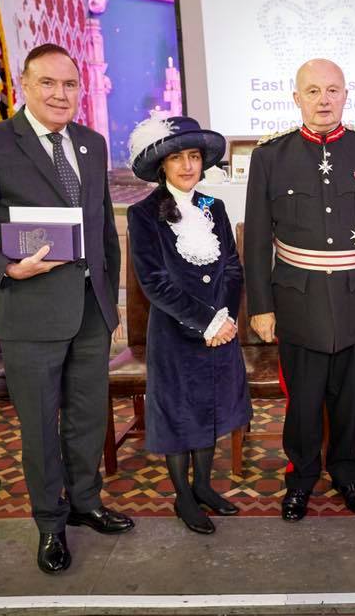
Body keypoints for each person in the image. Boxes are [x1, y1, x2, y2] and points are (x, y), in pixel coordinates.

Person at [0, 43, 133, 574]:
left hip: (90, 311)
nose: (60, 94)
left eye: (69, 84)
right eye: (48, 83)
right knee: (41, 425)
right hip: (30, 311)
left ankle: (85, 502)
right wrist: (3, 268)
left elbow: (101, 230)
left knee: (88, 418)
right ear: (24, 85)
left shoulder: (90, 143)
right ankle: (50, 523)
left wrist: (109, 299)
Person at [245, 58, 355, 522]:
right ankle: (300, 479)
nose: (323, 100)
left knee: (350, 399)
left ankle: (346, 473)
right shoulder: (270, 156)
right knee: (303, 399)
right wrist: (261, 306)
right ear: (296, 98)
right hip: (298, 298)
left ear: (346, 95)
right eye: (313, 91)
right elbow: (256, 238)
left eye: (332, 90)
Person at [126, 114, 251, 535]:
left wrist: (225, 319)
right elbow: (154, 283)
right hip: (176, 335)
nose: (187, 165)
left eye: (194, 156)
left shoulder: (214, 207)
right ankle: (183, 496)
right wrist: (206, 322)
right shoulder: (143, 214)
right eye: (177, 157)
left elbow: (232, 268)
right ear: (162, 164)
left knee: (210, 409)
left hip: (220, 332)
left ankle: (203, 487)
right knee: (180, 417)